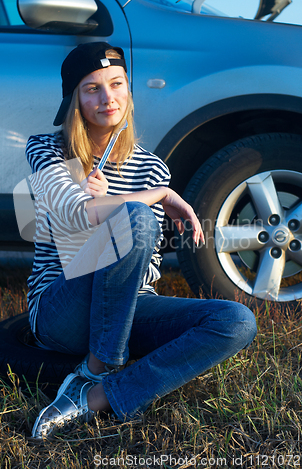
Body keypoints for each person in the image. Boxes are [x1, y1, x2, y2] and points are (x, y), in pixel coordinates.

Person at [25, 42, 257, 438]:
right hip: (60, 307)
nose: (108, 97)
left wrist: (113, 203)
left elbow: (144, 263)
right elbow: (70, 215)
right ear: (74, 101)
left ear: (129, 90)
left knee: (236, 321)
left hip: (127, 308)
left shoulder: (151, 166)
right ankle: (102, 364)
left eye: (117, 84)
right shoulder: (46, 149)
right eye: (92, 88)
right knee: (133, 217)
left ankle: (97, 395)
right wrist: (160, 196)